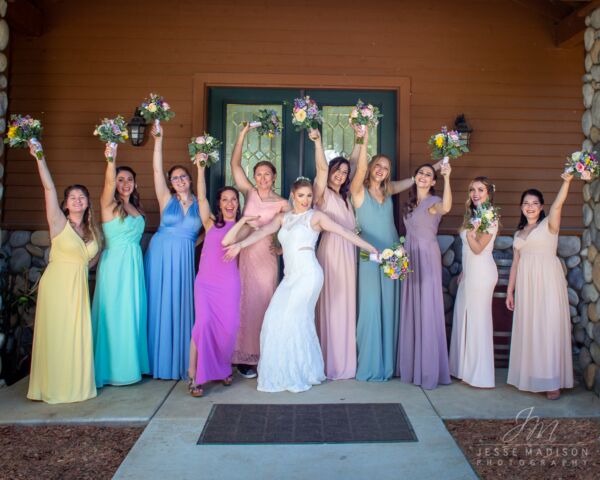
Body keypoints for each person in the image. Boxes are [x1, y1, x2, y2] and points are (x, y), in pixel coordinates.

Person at [223, 178, 378, 393]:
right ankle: (290, 370)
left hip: (308, 275)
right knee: (273, 318)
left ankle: (297, 373)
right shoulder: (283, 218)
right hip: (290, 278)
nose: (306, 200)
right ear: (293, 196)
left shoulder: (315, 216)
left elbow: (344, 232)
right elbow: (261, 232)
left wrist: (372, 249)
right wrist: (240, 244)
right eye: (301, 195)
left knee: (293, 320)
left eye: (309, 196)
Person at [26, 140, 101, 403]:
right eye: (73, 197)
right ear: (66, 204)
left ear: (88, 202)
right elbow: (49, 187)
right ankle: (53, 387)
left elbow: (90, 260)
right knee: (57, 333)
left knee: (75, 335)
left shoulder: (93, 231)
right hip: (57, 285)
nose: (78, 200)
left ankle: (75, 385)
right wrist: (39, 156)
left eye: (82, 197)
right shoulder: (58, 222)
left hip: (77, 285)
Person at [349, 127, 411, 381]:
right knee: (371, 307)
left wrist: (436, 169)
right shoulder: (358, 190)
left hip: (393, 256)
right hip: (369, 258)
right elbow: (360, 169)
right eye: (378, 165)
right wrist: (363, 139)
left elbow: (414, 181)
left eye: (385, 168)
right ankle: (371, 364)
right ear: (371, 166)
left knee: (389, 307)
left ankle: (388, 364)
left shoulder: (388, 191)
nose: (381, 170)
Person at [506, 174, 574, 400]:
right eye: (526, 203)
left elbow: (558, 205)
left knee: (548, 327)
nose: (530, 207)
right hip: (526, 285)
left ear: (542, 207)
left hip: (547, 282)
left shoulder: (549, 225)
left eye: (535, 203)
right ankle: (533, 376)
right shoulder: (518, 233)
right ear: (521, 207)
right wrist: (510, 291)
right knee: (531, 328)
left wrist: (566, 181)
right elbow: (515, 263)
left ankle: (552, 381)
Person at [230, 123, 289, 378]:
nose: (263, 178)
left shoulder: (283, 203)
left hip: (266, 257)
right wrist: (242, 134)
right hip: (245, 255)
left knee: (264, 302)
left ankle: (265, 353)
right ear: (254, 177)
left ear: (274, 177)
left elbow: (291, 230)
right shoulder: (249, 193)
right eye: (259, 174)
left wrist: (281, 247)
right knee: (243, 303)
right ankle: (243, 357)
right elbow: (234, 165)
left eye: (267, 174)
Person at [145, 125, 201, 380]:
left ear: (190, 179)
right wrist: (159, 140)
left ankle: (180, 361)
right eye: (175, 178)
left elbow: (210, 228)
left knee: (180, 303)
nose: (179, 181)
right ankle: (156, 362)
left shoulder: (201, 203)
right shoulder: (166, 199)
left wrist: (194, 242)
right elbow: (157, 170)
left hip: (184, 256)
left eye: (183, 177)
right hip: (160, 253)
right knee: (159, 303)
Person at [92, 143, 149, 387]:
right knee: (115, 314)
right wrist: (111, 158)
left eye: (129, 180)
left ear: (135, 184)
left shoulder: (136, 207)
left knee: (132, 313)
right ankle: (113, 370)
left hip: (134, 266)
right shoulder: (108, 204)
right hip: (115, 265)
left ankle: (131, 365)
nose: (125, 183)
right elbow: (107, 183)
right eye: (120, 179)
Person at [187, 159, 244, 397]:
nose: (229, 203)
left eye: (233, 199)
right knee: (203, 324)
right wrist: (201, 169)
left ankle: (222, 369)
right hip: (205, 284)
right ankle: (194, 375)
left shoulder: (244, 227)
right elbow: (201, 198)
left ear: (238, 203)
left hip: (229, 285)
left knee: (228, 329)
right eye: (225, 200)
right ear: (219, 204)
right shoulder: (211, 223)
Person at [397, 162, 452, 390]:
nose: (423, 176)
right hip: (410, 255)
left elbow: (446, 208)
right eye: (420, 172)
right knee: (413, 307)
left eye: (428, 174)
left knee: (427, 307)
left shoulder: (434, 202)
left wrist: (447, 177)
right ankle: (412, 367)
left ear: (433, 181)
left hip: (426, 256)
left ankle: (428, 369)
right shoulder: (410, 203)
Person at [309, 128, 357, 380]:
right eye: (337, 170)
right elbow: (320, 169)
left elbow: (355, 162)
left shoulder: (345, 198)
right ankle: (330, 361)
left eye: (345, 172)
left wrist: (361, 136)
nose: (340, 175)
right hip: (331, 252)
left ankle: (346, 359)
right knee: (333, 304)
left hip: (349, 254)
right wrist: (318, 143)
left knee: (346, 305)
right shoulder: (322, 194)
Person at [449, 177, 497, 388]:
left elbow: (478, 248)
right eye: (472, 190)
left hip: (482, 273)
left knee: (478, 321)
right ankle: (463, 369)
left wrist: (469, 235)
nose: (475, 193)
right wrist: (463, 270)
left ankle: (480, 375)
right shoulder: (473, 214)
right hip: (470, 273)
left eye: (480, 189)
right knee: (464, 316)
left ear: (488, 193)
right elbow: (469, 251)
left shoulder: (489, 216)